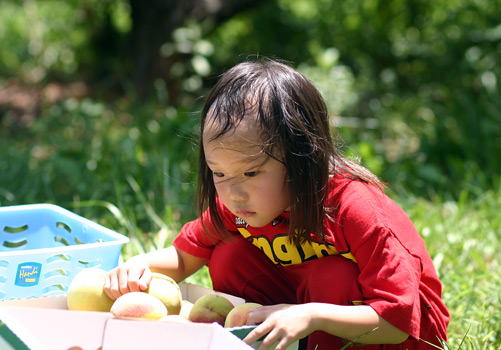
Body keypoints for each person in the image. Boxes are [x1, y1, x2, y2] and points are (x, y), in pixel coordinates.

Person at [104, 57, 450, 350]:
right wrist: (136, 267)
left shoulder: (354, 208)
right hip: (309, 314)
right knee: (229, 254)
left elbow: (397, 322)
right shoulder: (239, 206)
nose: (234, 193)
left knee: (332, 275)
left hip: (401, 336)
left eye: (252, 173)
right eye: (218, 174)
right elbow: (184, 256)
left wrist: (312, 314)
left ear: (302, 158)